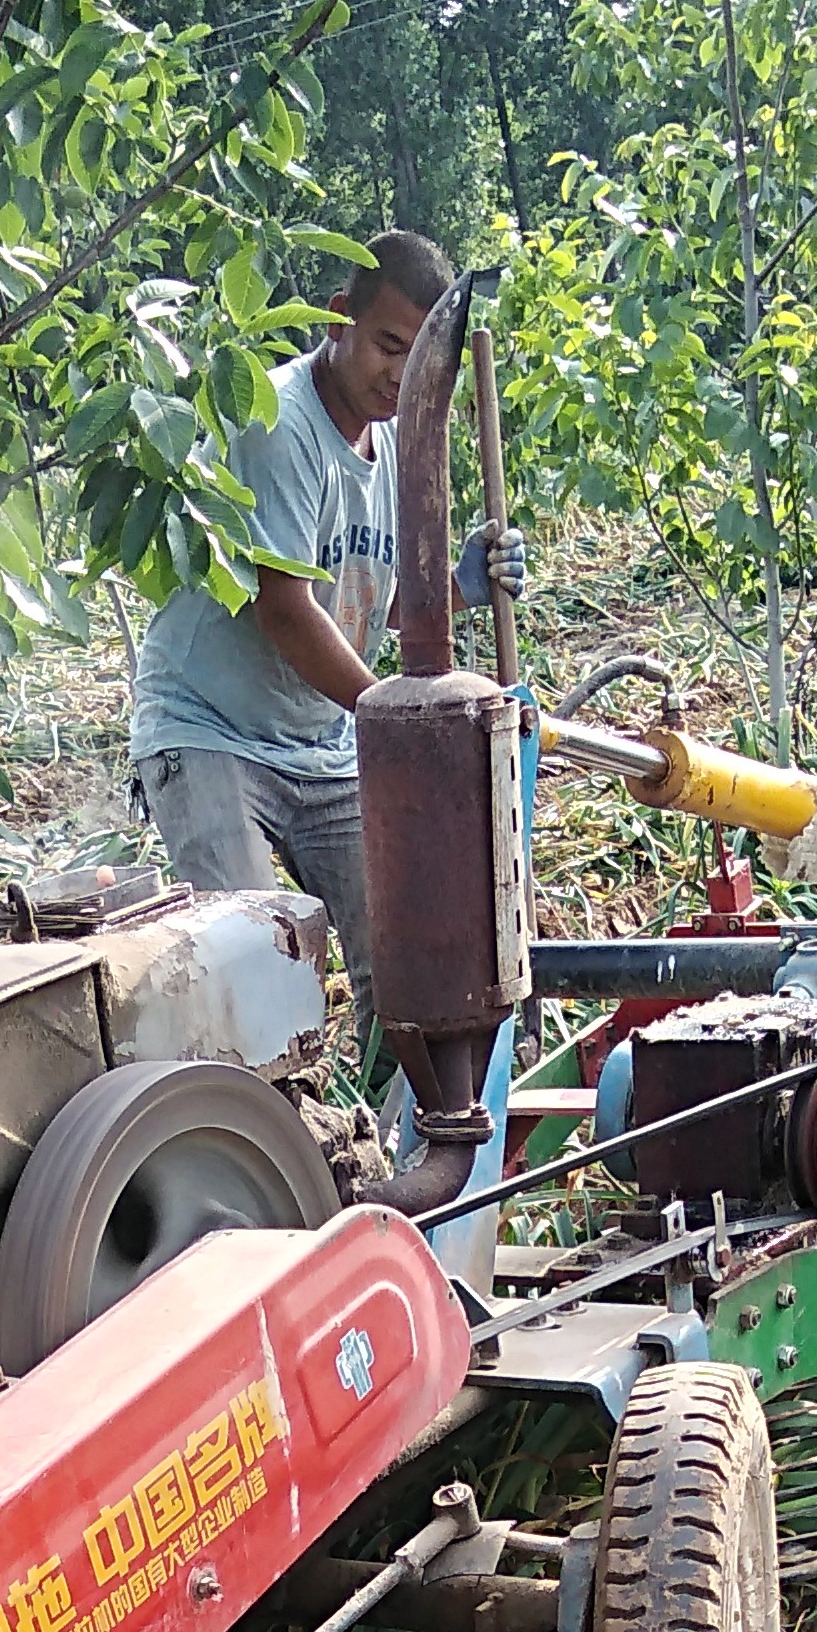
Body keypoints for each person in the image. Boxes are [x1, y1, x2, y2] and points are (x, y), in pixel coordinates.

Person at [127, 231, 527, 1048]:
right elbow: (286, 608)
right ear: (338, 318)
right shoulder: (280, 423)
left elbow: (370, 605)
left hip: (319, 743)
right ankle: (277, 1151)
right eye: (387, 347)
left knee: (412, 961)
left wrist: (458, 588)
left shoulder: (396, 446)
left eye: (418, 361)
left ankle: (398, 1143)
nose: (397, 376)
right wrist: (395, 721)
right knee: (252, 967)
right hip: (211, 733)